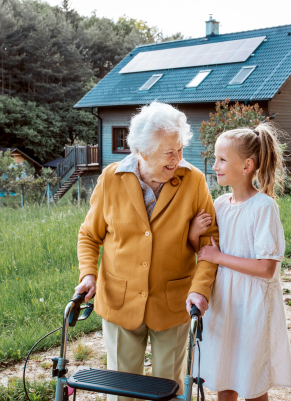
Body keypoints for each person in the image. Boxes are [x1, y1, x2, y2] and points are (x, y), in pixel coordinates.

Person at [74, 101, 219, 401]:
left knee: (171, 389)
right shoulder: (111, 180)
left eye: (179, 149)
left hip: (174, 301)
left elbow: (209, 246)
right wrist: (88, 274)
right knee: (121, 391)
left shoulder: (193, 181)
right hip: (119, 299)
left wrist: (201, 290)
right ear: (143, 150)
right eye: (169, 152)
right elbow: (89, 235)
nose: (177, 158)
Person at [192, 123, 291, 401]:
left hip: (252, 305)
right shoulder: (221, 204)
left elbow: (266, 268)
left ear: (247, 165)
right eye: (215, 158)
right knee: (226, 375)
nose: (215, 165)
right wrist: (193, 235)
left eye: (222, 159)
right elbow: (204, 253)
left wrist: (219, 257)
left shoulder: (264, 207)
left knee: (251, 380)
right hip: (225, 301)